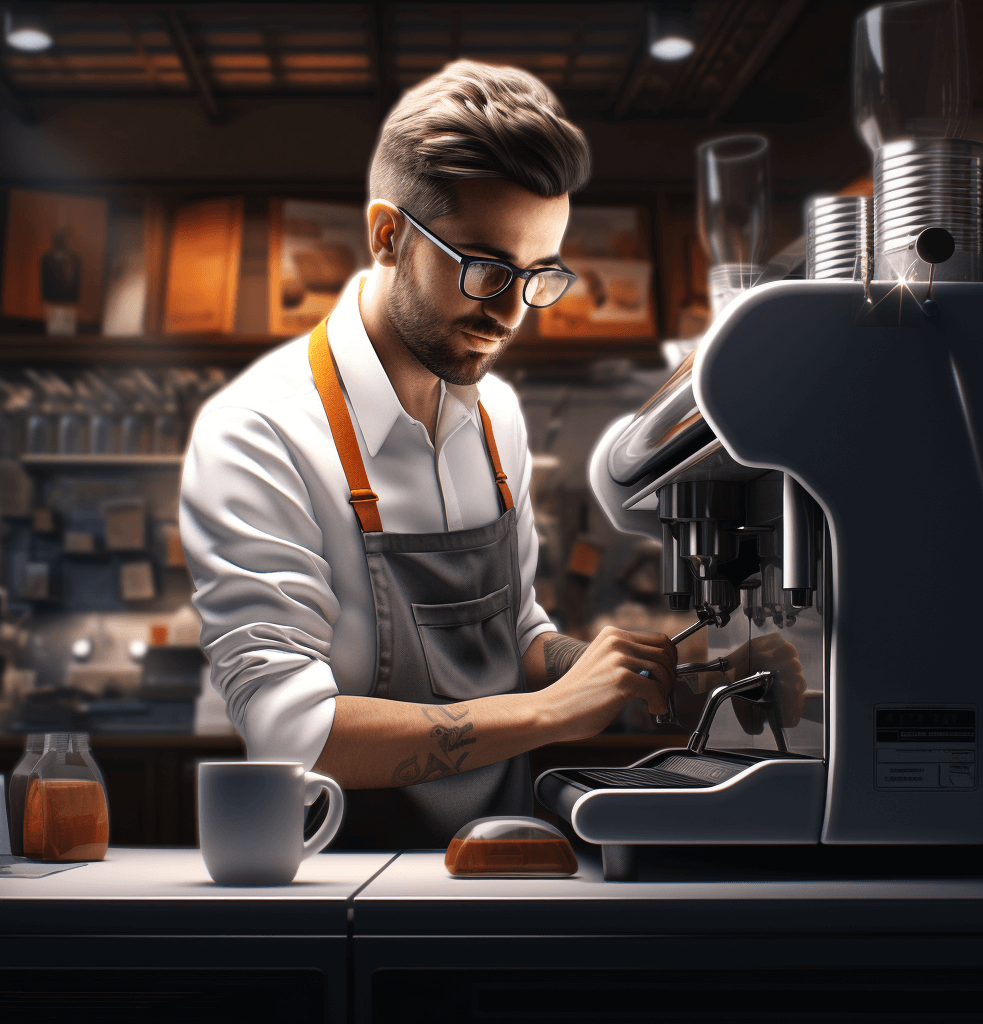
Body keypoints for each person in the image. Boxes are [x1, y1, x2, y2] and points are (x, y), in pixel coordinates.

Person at [180, 60, 802, 850]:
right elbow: (293, 735)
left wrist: (665, 680)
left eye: (539, 275)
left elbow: (515, 637)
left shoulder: (494, 414)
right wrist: (555, 710)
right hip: (351, 884)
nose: (511, 314)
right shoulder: (259, 431)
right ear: (388, 235)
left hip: (508, 859)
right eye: (485, 269)